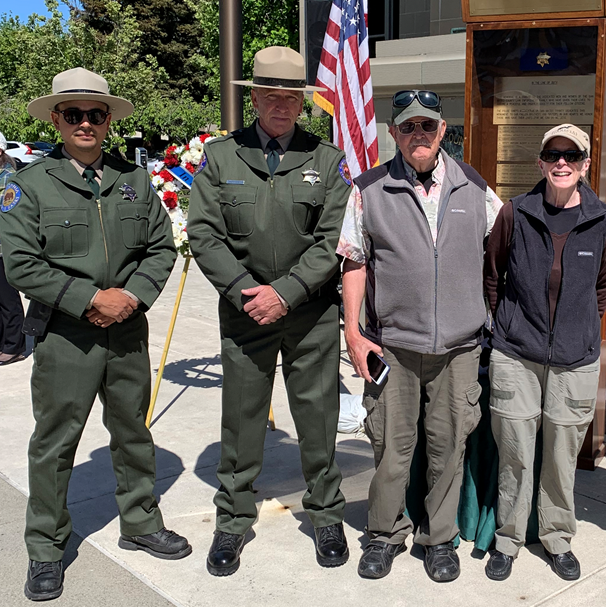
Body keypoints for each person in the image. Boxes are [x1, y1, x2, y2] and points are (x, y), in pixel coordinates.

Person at [0, 68, 190, 602]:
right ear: (55, 119)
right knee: (56, 443)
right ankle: (44, 548)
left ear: (109, 120)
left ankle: (140, 522)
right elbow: (20, 263)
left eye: (96, 114)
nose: (85, 122)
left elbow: (160, 248)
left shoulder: (134, 181)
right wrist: (90, 299)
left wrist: (130, 297)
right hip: (66, 336)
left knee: (133, 430)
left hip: (128, 330)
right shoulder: (29, 186)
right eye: (73, 114)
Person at [187, 46, 351, 576]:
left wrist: (288, 291)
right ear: (253, 97)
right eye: (271, 96)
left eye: (291, 98)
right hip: (244, 313)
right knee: (240, 420)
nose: (281, 106)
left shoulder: (324, 159)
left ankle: (325, 512)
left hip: (310, 315)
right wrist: (244, 291)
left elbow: (333, 240)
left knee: (318, 418)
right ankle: (232, 521)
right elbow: (204, 233)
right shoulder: (222, 156)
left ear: (301, 103)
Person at [339, 89, 502, 582]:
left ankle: (439, 538)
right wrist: (354, 333)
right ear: (394, 133)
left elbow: (503, 250)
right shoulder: (369, 188)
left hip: (458, 348)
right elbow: (354, 259)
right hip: (394, 347)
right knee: (391, 447)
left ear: (442, 130)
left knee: (448, 447)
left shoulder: (473, 187)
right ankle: (384, 534)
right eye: (408, 127)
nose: (418, 136)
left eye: (427, 126)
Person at [482, 124, 606, 581]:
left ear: (585, 164)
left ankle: (557, 537)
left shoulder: (603, 218)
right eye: (553, 155)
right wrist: (510, 328)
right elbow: (493, 276)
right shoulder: (515, 213)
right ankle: (508, 538)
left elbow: (602, 288)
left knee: (561, 456)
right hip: (516, 355)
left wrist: (578, 332)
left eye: (572, 156)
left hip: (575, 361)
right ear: (540, 162)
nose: (562, 163)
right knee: (516, 452)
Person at [0, 132, 27, 365]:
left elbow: (10, 214)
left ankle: (14, 346)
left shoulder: (9, 179)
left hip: (3, 248)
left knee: (7, 300)